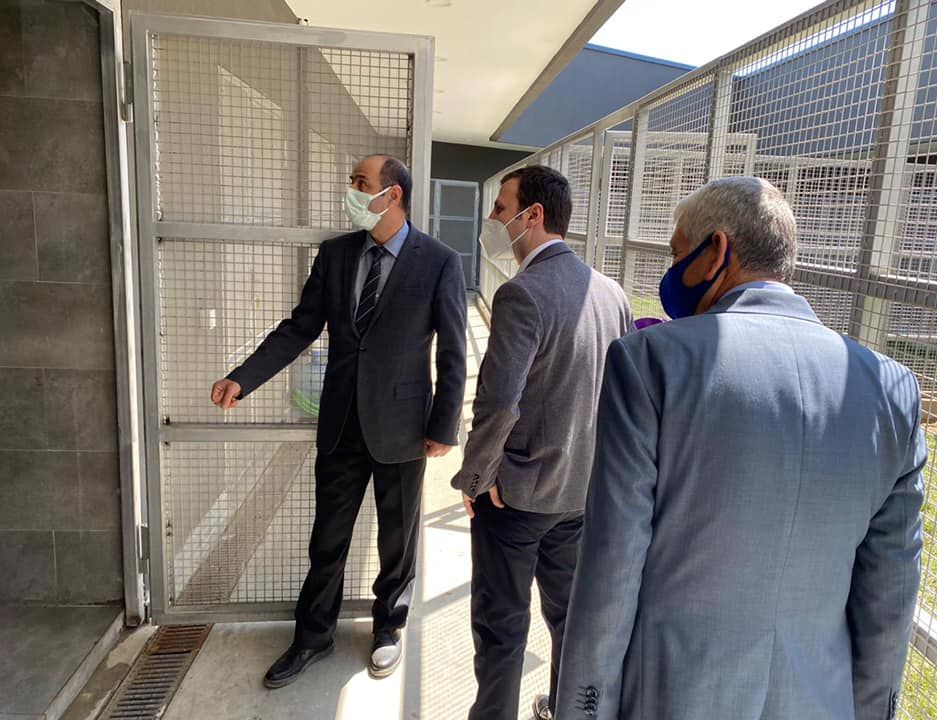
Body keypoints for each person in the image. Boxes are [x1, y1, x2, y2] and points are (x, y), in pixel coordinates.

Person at [555, 176, 925, 720]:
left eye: (678, 253)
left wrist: (584, 709)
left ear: (716, 252)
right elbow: (891, 594)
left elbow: (611, 567)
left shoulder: (650, 362)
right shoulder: (892, 390)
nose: (671, 271)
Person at [210, 154, 467, 687]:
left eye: (360, 182)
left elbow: (453, 351)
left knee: (397, 540)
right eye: (352, 181)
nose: (351, 190)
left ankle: (388, 628)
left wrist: (444, 426)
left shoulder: (439, 261)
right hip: (341, 424)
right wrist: (244, 376)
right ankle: (312, 637)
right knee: (327, 538)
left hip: (403, 427)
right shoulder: (335, 254)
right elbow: (299, 327)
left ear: (392, 194)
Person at [451, 165, 632, 720]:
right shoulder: (612, 293)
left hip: (516, 497)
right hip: (581, 494)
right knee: (569, 620)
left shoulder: (522, 293)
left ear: (533, 215)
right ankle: (563, 708)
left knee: (501, 626)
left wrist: (476, 479)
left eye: (500, 208)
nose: (492, 219)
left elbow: (498, 403)